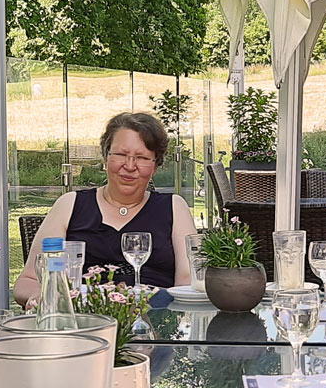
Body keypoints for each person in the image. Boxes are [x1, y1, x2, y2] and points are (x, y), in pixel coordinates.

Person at [13, 112, 198, 305]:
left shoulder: (174, 208)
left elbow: (187, 282)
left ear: (155, 166)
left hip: (155, 324)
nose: (130, 165)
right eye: (120, 155)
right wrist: (40, 297)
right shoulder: (70, 205)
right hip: (84, 324)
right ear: (105, 158)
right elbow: (28, 281)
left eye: (142, 157)